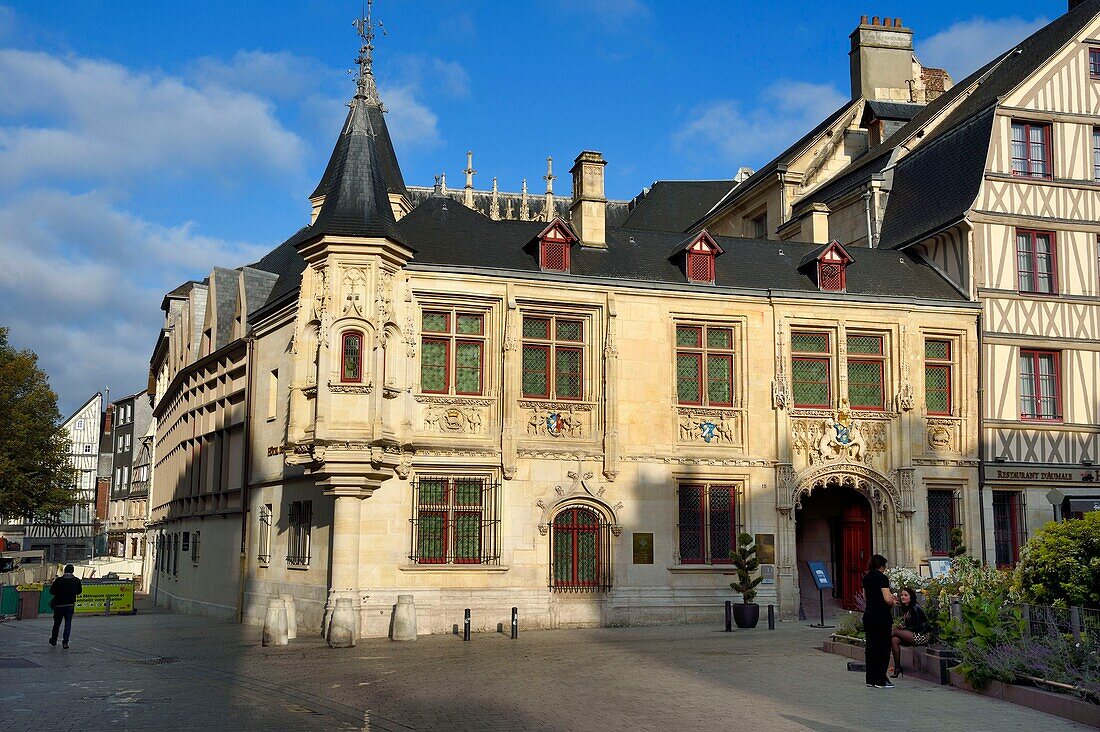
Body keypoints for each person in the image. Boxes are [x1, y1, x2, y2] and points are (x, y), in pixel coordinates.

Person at [861, 554, 896, 688]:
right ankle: (881, 679)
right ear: (881, 566)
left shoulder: (866, 578)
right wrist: (893, 602)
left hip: (869, 615)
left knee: (871, 647)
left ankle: (870, 678)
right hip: (881, 616)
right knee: (882, 647)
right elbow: (887, 599)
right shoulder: (882, 578)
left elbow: (865, 597)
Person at [890, 587, 931, 677]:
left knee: (894, 632)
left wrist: (904, 628)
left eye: (906, 595)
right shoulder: (907, 608)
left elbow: (919, 627)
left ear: (911, 597)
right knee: (894, 640)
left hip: (921, 635)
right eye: (902, 595)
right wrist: (904, 627)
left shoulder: (915, 608)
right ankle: (897, 667)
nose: (903, 597)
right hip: (913, 634)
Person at [48, 564, 82, 649]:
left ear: (65, 571)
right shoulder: (76, 580)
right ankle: (65, 642)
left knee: (56, 623)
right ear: (73, 571)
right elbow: (79, 591)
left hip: (59, 605)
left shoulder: (59, 580)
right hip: (70, 605)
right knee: (68, 623)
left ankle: (54, 640)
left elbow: (51, 591)